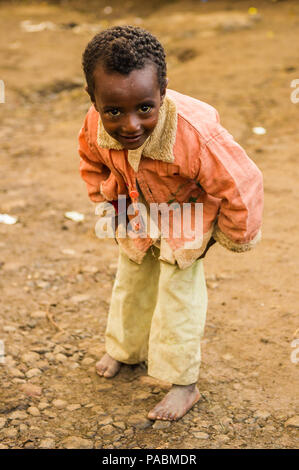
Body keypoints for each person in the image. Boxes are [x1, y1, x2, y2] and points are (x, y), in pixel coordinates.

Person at [78, 25, 263, 421]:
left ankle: (184, 384)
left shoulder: (196, 134)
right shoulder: (93, 125)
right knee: (130, 280)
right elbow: (91, 164)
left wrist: (233, 235)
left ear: (162, 91)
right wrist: (107, 206)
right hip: (135, 213)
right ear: (93, 100)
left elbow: (242, 181)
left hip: (187, 218)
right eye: (113, 111)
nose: (130, 125)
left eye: (144, 107)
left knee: (179, 298)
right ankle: (126, 351)